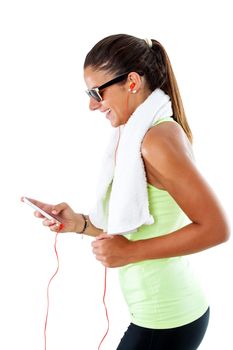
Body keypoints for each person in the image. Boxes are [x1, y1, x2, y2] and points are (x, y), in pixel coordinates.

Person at [30, 34, 230, 349]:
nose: (92, 105)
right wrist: (79, 223)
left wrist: (129, 253)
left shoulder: (156, 140)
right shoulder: (138, 134)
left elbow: (217, 229)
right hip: (158, 314)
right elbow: (139, 223)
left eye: (97, 92)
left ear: (132, 82)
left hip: (167, 319)